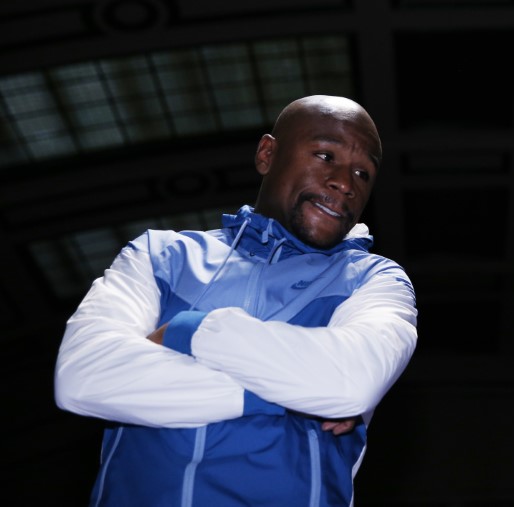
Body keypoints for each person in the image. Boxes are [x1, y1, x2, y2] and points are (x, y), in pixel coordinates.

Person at [54, 95, 418, 506]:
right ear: (267, 154)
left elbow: (349, 384)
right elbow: (83, 377)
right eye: (324, 155)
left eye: (363, 174)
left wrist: (189, 330)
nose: (345, 183)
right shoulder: (160, 255)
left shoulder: (375, 279)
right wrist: (291, 395)